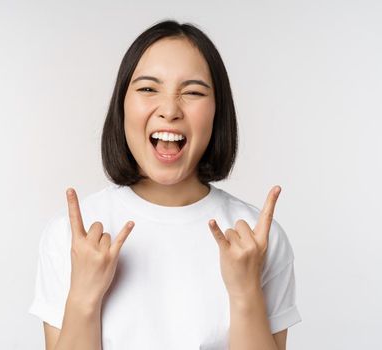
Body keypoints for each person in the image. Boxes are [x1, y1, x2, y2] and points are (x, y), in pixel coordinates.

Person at [28, 20, 302, 350]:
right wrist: (84, 298)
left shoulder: (258, 239)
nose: (170, 110)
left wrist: (245, 294)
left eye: (193, 93)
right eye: (148, 89)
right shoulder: (70, 236)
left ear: (218, 112)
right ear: (122, 105)